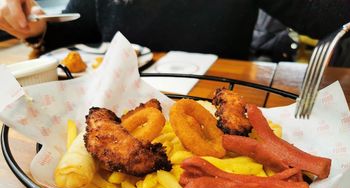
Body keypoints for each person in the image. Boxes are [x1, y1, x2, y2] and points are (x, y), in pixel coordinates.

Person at [1, 0, 350, 60]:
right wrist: (36, 28)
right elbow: (79, 26)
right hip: (113, 103)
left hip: (217, 105)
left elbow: (320, 13)